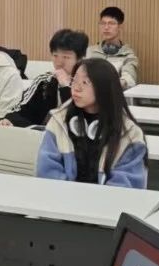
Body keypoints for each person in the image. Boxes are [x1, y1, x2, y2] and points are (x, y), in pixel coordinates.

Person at [37, 59, 148, 189]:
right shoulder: (59, 121)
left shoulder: (130, 133)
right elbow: (46, 171)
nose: (76, 88)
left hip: (109, 201)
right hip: (63, 198)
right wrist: (71, 196)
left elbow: (127, 185)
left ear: (104, 88)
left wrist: (93, 199)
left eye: (85, 82)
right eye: (74, 80)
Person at [0, 29, 89, 128]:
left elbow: (79, 120)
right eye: (55, 56)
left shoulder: (88, 85)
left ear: (80, 59)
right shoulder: (44, 81)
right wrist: (10, 119)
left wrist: (65, 87)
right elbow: (21, 109)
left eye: (66, 57)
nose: (59, 63)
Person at [86, 6, 139, 89]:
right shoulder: (90, 51)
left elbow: (129, 78)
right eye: (103, 23)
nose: (106, 27)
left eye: (111, 23)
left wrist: (119, 83)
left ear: (120, 27)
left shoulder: (128, 55)